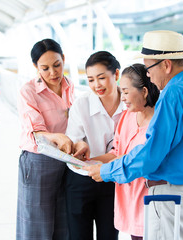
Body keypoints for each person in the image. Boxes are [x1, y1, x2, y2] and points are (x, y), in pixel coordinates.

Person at [84, 30, 183, 240]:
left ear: (166, 65)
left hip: (171, 196)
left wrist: (108, 170)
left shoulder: (173, 95)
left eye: (148, 68)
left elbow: (151, 155)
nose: (148, 75)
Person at [90, 64, 160, 240]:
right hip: (129, 204)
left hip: (151, 206)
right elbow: (117, 152)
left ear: (144, 91)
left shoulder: (159, 125)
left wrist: (106, 169)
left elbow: (142, 162)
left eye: (127, 92)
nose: (123, 99)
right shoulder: (128, 116)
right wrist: (90, 160)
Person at [16, 38, 74, 240]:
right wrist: (56, 136)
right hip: (38, 161)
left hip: (66, 161)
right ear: (35, 67)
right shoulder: (28, 91)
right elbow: (36, 131)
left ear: (63, 59)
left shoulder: (70, 87)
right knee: (36, 225)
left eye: (57, 65)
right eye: (45, 68)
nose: (53, 73)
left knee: (63, 222)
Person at [64, 51, 123, 240]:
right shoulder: (81, 105)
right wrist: (80, 146)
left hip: (114, 180)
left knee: (109, 235)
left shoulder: (130, 104)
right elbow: (75, 140)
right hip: (82, 179)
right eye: (90, 80)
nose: (96, 85)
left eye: (101, 78)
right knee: (79, 236)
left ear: (116, 74)